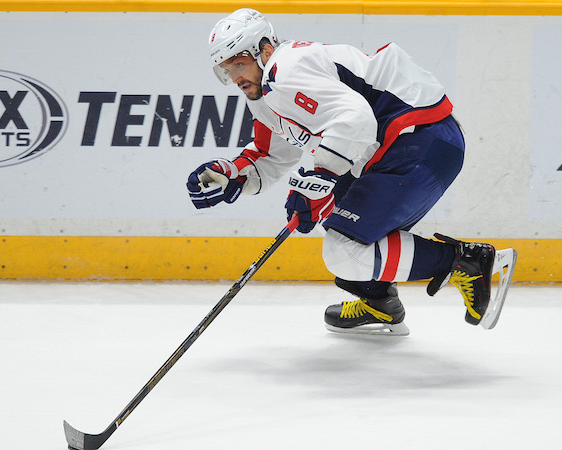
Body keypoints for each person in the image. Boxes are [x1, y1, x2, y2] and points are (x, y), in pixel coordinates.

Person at [187, 8, 517, 335]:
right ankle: (378, 301)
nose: (235, 77)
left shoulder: (284, 71)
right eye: (227, 70)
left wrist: (319, 180)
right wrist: (232, 174)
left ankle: (466, 262)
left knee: (344, 249)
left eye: (239, 64)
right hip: (411, 144)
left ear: (265, 50)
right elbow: (272, 154)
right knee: (343, 228)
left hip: (420, 139)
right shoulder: (266, 91)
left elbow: (356, 118)